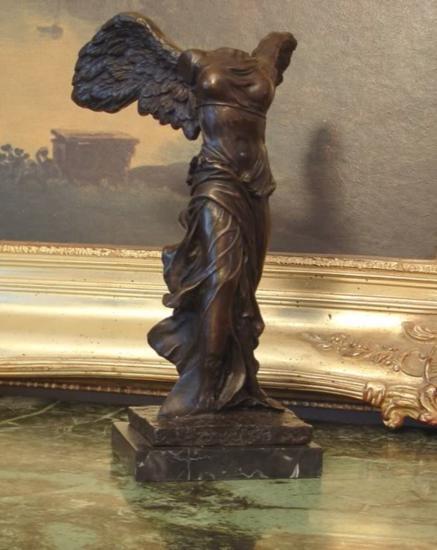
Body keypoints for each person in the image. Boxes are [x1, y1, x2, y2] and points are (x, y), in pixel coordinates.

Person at [72, 13, 297, 417]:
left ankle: (240, 385)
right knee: (221, 279)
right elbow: (90, 90)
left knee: (245, 289)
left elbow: (283, 44)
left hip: (258, 185)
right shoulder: (193, 60)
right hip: (216, 181)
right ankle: (204, 387)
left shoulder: (269, 52)